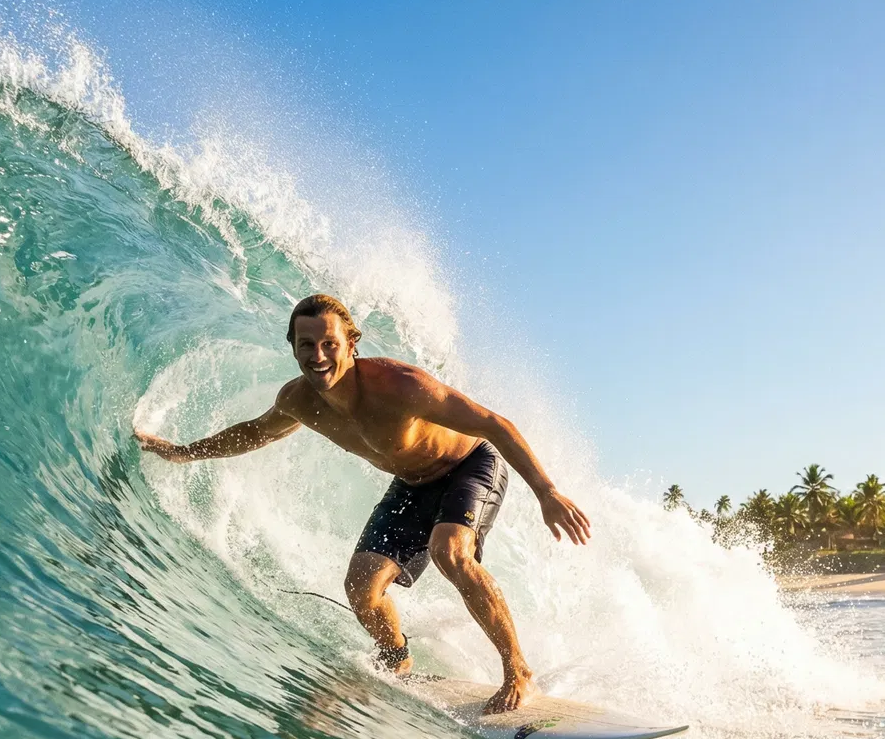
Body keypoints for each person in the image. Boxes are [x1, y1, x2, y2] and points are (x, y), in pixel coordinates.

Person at [134, 294, 591, 714]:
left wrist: (547, 493)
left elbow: (493, 423)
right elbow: (256, 432)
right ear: (292, 347)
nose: (317, 356)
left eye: (329, 343)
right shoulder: (299, 401)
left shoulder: (402, 386)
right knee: (361, 588)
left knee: (449, 550)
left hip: (470, 463)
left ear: (351, 343)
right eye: (305, 344)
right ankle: (397, 659)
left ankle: (519, 672)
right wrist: (183, 452)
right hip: (411, 483)